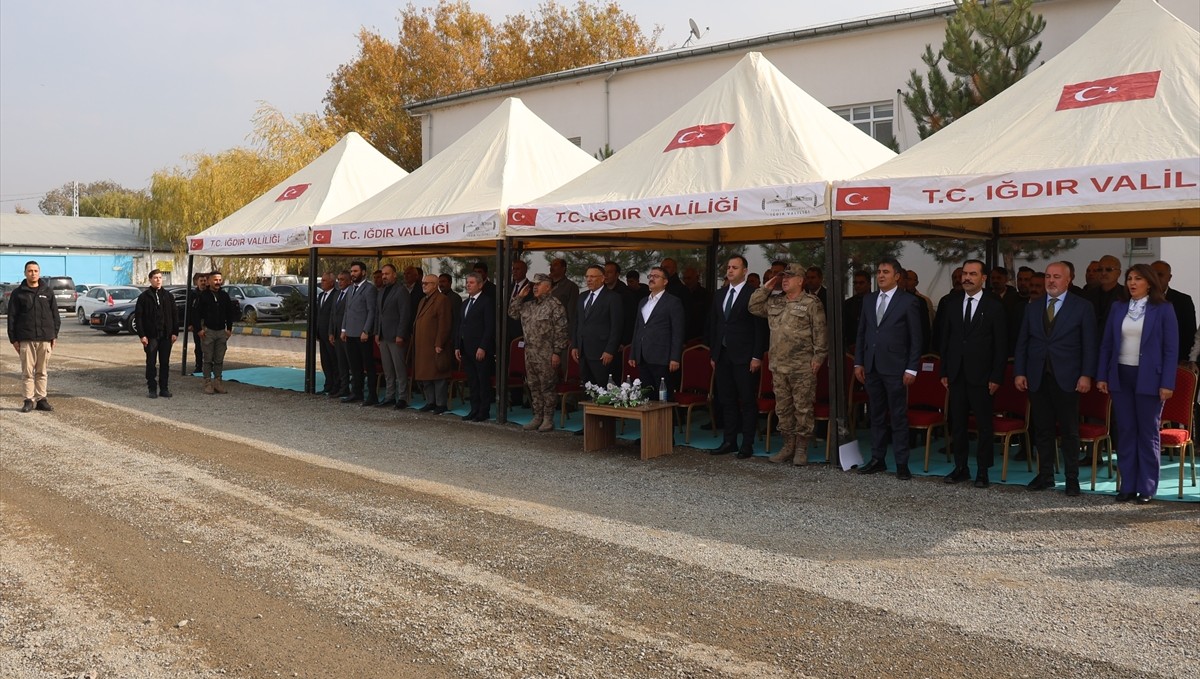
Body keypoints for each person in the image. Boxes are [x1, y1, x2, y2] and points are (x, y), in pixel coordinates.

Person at [1097, 264, 1179, 504]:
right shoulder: (1118, 307)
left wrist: (1167, 383)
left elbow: (1171, 349)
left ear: (1149, 283)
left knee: (1147, 433)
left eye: (1138, 279)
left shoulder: (1163, 309)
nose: (1132, 283)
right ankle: (1127, 485)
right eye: (1130, 278)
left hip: (1150, 379)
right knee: (1126, 431)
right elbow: (1107, 344)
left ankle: (1146, 487)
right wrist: (1103, 375)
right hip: (1121, 376)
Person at [1014, 261, 1097, 496]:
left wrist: (1086, 375)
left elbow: (1090, 345)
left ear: (1068, 279)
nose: (1051, 280)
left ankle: (1072, 478)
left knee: (1070, 431)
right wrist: (1020, 371)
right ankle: (1045, 475)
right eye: (1048, 276)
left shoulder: (1082, 307)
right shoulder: (1032, 307)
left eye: (1057, 277)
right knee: (1042, 429)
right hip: (1037, 376)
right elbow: (1022, 343)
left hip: (1069, 378)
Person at [749, 263, 827, 465]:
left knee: (803, 409)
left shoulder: (811, 303)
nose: (784, 280)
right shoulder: (776, 302)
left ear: (800, 281)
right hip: (779, 366)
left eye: (789, 277)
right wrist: (767, 287)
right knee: (783, 409)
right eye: (783, 277)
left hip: (802, 367)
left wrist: (818, 358)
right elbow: (753, 306)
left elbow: (820, 333)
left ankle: (801, 449)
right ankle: (787, 446)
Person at [939, 260, 1007, 488]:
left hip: (983, 376)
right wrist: (945, 371)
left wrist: (997, 376)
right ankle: (961, 467)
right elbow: (946, 340)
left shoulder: (994, 305)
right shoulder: (952, 303)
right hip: (957, 374)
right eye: (964, 274)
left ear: (983, 278)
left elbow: (1001, 345)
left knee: (984, 425)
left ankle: (982, 470)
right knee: (957, 423)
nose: (966, 278)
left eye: (972, 274)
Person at [854, 258, 923, 479]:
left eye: (886, 272)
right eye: (879, 271)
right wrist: (859, 362)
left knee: (898, 416)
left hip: (896, 367)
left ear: (897, 276)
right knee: (876, 415)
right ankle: (877, 458)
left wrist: (912, 368)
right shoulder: (869, 300)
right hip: (872, 365)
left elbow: (916, 338)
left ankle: (902, 463)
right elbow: (862, 333)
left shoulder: (908, 301)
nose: (881, 275)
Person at [707, 255, 768, 458]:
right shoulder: (720, 294)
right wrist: (714, 353)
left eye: (735, 267)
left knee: (747, 401)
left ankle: (747, 444)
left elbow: (759, 329)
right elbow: (716, 325)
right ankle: (729, 441)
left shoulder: (753, 294)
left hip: (745, 356)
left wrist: (757, 356)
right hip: (723, 355)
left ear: (744, 271)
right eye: (728, 267)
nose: (730, 270)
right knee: (727, 400)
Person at [510, 273, 569, 431]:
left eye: (538, 284)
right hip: (530, 353)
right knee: (533, 386)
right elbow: (513, 313)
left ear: (548, 287)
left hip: (547, 354)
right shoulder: (529, 305)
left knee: (548, 387)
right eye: (533, 284)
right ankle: (537, 416)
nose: (534, 287)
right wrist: (520, 296)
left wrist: (557, 353)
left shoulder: (555, 305)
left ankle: (548, 419)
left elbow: (561, 331)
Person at [7, 260, 60, 412]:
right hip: (26, 339)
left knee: (42, 371)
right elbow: (12, 317)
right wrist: (14, 339)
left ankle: (41, 399)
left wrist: (53, 335)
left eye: (35, 271)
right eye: (30, 271)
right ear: (25, 273)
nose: (33, 273)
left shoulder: (47, 292)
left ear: (39, 272)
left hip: (45, 338)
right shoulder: (18, 293)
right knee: (28, 372)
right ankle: (28, 400)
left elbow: (55, 316)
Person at [628, 266, 685, 405]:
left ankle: (666, 426)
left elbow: (678, 331)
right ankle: (651, 426)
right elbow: (638, 328)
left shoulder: (673, 302)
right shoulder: (643, 301)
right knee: (647, 394)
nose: (652, 278)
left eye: (656, 276)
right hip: (643, 356)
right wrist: (633, 353)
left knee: (664, 396)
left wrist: (675, 357)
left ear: (665, 281)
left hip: (662, 357)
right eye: (650, 276)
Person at [572, 264, 623, 391]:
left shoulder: (612, 297)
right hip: (583, 351)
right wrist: (575, 345)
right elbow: (577, 322)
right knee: (588, 388)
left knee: (604, 387)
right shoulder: (582, 297)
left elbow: (617, 326)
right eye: (587, 276)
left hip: (601, 351)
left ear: (602, 278)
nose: (589, 279)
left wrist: (610, 350)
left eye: (593, 276)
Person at [134, 269, 179, 399]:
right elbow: (139, 317)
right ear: (150, 279)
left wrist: (175, 332)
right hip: (151, 336)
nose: (158, 280)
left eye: (160, 277)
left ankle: (164, 388)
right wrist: (142, 335)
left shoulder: (168, 296)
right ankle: (152, 388)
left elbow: (174, 315)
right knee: (151, 362)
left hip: (166, 336)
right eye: (155, 277)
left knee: (165, 363)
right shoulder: (144, 297)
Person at [457, 272, 495, 421]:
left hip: (480, 349)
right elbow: (460, 325)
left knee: (482, 380)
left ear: (480, 285)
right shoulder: (465, 303)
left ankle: (483, 411)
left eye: (471, 282)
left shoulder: (486, 302)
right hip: (466, 348)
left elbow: (489, 327)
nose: (468, 285)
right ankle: (474, 409)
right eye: (467, 282)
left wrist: (483, 347)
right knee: (472, 381)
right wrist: (457, 346)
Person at [413, 275, 453, 414]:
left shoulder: (442, 300)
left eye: (427, 283)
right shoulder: (423, 300)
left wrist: (439, 343)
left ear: (435, 285)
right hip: (423, 344)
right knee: (426, 375)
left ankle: (441, 404)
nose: (423, 285)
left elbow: (444, 324)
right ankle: (430, 402)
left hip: (434, 344)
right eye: (422, 283)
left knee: (438, 375)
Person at [341, 261, 378, 406]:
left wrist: (366, 330)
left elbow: (371, 311)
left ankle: (372, 395)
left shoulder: (369, 289)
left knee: (368, 366)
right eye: (351, 271)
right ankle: (357, 392)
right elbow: (347, 311)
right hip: (350, 332)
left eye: (356, 271)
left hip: (363, 335)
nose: (353, 274)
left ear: (363, 272)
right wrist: (344, 329)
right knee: (354, 365)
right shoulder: (350, 289)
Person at [195, 271, 238, 395]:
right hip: (208, 331)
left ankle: (218, 382)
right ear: (209, 281)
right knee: (208, 358)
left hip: (221, 332)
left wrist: (229, 329)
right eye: (215, 280)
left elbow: (229, 313)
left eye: (220, 279)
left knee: (219, 358)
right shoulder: (203, 296)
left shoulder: (224, 295)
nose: (218, 282)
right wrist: (199, 329)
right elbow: (196, 314)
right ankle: (207, 383)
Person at [375, 264, 411, 409]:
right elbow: (379, 314)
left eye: (387, 274)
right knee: (388, 369)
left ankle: (402, 397)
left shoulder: (401, 291)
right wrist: (377, 332)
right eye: (383, 274)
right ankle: (390, 396)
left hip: (396, 335)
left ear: (394, 275)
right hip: (383, 335)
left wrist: (401, 334)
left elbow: (405, 314)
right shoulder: (382, 291)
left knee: (399, 368)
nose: (384, 276)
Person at [1150, 260, 1196, 364]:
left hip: (1174, 360)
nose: (1156, 278)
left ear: (1169, 278)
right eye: (1152, 274)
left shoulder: (1183, 300)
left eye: (1160, 274)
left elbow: (1189, 333)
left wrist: (1184, 360)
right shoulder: (1139, 300)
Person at [314, 273, 340, 396]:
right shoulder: (320, 295)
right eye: (321, 280)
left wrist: (332, 332)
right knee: (325, 361)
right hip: (321, 333)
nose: (322, 282)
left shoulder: (336, 295)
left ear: (331, 282)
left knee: (333, 360)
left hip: (331, 334)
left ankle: (336, 385)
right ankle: (328, 384)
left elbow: (334, 316)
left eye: (324, 280)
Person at [328, 271, 352, 398]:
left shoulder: (351, 293)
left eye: (342, 279)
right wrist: (331, 332)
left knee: (350, 363)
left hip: (348, 334)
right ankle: (343, 388)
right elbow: (333, 314)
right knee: (341, 363)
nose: (340, 282)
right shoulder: (337, 294)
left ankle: (354, 389)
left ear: (349, 281)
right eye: (338, 279)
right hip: (337, 334)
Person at [843, 270, 871, 346]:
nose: (857, 285)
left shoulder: (877, 302)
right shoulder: (848, 304)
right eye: (855, 283)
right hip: (852, 345)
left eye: (861, 283)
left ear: (869, 284)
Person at [187, 272, 208, 373]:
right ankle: (198, 365)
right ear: (197, 282)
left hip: (208, 322)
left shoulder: (209, 293)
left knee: (208, 345)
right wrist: (190, 323)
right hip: (197, 322)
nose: (203, 283)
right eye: (201, 281)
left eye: (204, 281)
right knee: (198, 346)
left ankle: (209, 365)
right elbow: (189, 310)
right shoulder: (193, 294)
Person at [507, 259, 533, 341]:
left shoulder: (531, 288)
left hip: (522, 331)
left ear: (525, 271)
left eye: (517, 269)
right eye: (513, 269)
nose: (514, 272)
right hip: (507, 331)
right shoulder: (508, 287)